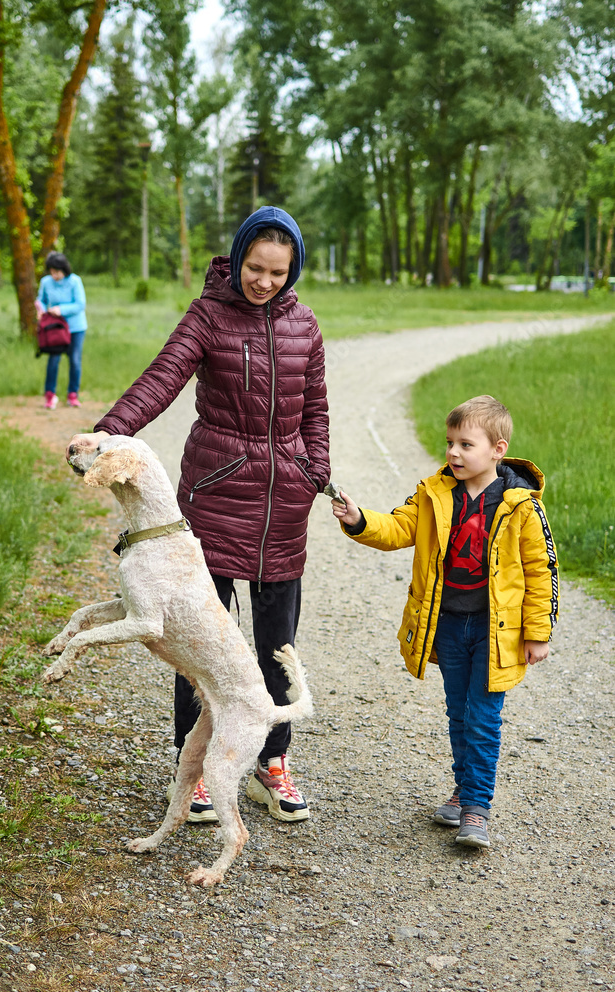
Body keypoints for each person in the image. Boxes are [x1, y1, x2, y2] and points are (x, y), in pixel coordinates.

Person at [66, 206, 330, 824]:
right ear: (237, 259)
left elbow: (315, 408)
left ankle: (270, 761)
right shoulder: (208, 315)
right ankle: (198, 766)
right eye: (254, 268)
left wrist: (315, 468)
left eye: (277, 272)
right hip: (213, 495)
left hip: (283, 505)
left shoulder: (305, 326)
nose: (263, 281)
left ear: (293, 271)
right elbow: (161, 379)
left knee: (275, 641)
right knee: (197, 641)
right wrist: (107, 436)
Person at [332, 395, 559, 848]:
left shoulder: (521, 506)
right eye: (450, 442)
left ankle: (477, 807)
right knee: (459, 713)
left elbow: (542, 571)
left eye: (465, 444)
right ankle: (462, 790)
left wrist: (538, 633)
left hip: (498, 633)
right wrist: (360, 521)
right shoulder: (435, 493)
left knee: (484, 718)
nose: (453, 453)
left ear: (498, 449)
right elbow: (399, 528)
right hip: (449, 626)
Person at [38, 252, 87, 409]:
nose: (54, 275)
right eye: (51, 271)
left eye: (57, 271)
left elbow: (80, 304)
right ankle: (50, 395)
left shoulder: (74, 281)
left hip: (75, 328)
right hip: (55, 328)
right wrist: (41, 309)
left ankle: (73, 394)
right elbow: (41, 300)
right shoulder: (46, 282)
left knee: (74, 360)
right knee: (53, 360)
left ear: (64, 269)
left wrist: (61, 309)